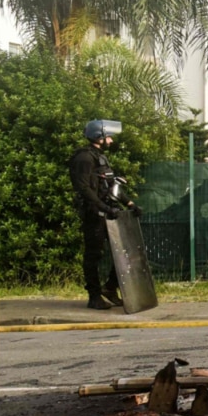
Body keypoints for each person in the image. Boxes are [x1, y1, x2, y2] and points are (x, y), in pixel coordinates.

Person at [69, 119, 141, 310]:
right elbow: (84, 188)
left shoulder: (100, 158)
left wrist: (129, 203)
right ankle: (94, 297)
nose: (111, 141)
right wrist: (103, 207)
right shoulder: (84, 158)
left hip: (109, 212)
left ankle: (109, 287)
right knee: (94, 255)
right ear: (98, 137)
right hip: (94, 213)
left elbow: (111, 186)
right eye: (108, 137)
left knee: (125, 251)